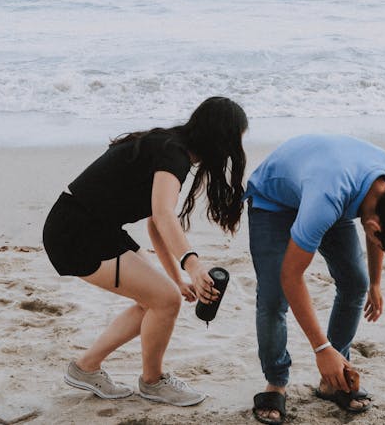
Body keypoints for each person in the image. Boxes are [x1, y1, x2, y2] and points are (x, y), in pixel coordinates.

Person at [42, 96, 247, 407]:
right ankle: (153, 382)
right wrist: (193, 266)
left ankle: (86, 367)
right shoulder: (173, 154)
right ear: (221, 138)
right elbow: (164, 216)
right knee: (164, 301)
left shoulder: (169, 146)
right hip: (76, 232)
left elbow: (156, 223)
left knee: (159, 297)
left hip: (93, 226)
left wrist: (176, 277)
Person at [245, 134, 385, 424]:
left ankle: (333, 380)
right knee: (275, 294)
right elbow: (292, 275)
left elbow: (378, 234)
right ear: (375, 227)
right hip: (273, 199)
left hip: (323, 187)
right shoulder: (327, 200)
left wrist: (375, 283)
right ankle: (276, 382)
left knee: (356, 282)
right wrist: (321, 348)